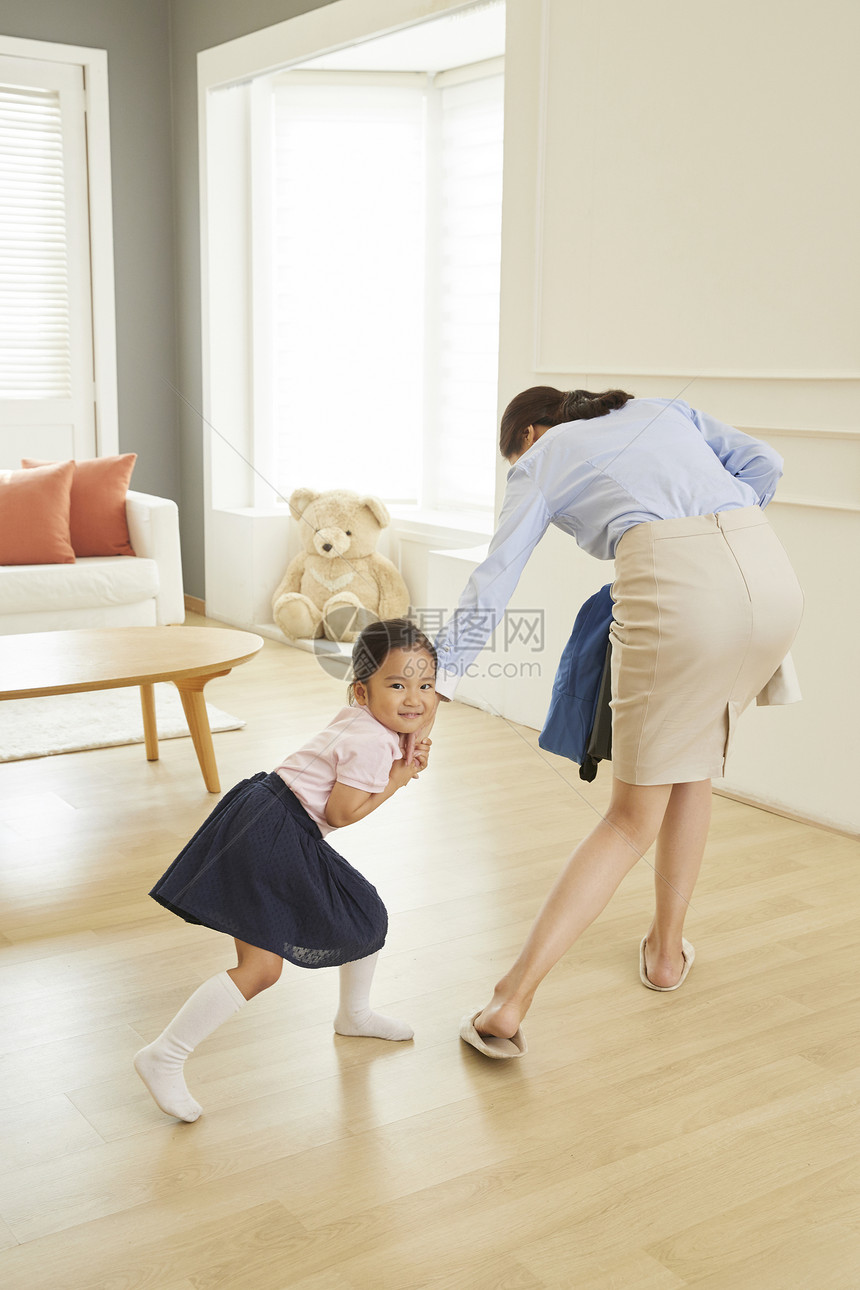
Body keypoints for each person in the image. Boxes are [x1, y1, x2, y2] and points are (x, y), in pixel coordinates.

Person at [434, 387, 803, 1059]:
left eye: (517, 449)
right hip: (771, 577)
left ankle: (508, 1002)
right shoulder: (665, 409)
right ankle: (666, 954)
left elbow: (496, 576)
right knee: (694, 761)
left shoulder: (541, 458)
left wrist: (443, 679)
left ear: (534, 431)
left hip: (680, 591)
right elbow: (766, 462)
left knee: (631, 817)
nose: (521, 462)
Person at [134, 618, 436, 1119]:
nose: (415, 700)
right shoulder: (373, 742)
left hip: (264, 811)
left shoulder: (364, 718)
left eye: (426, 686)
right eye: (398, 685)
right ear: (363, 691)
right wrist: (398, 781)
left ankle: (353, 1015)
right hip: (277, 834)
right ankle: (164, 1055)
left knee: (363, 912)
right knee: (262, 969)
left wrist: (411, 739)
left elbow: (418, 716)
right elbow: (342, 814)